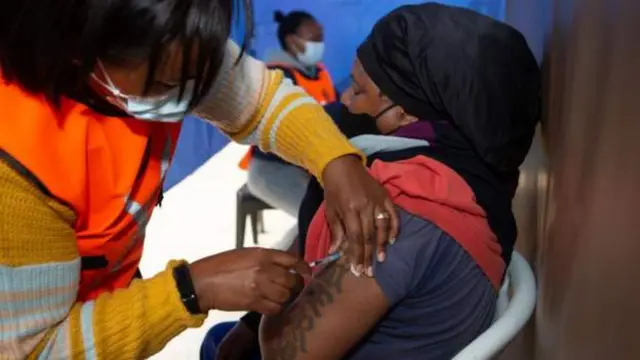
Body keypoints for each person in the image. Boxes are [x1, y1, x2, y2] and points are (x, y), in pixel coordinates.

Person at [0, 1, 401, 359]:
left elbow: (260, 101)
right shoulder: (17, 169)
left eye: (197, 77)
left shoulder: (171, 41)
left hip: (111, 281)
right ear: (79, 49)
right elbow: (37, 348)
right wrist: (191, 290)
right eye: (166, 85)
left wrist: (336, 160)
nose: (189, 97)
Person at [259, 3, 540, 360]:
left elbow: (285, 354)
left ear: (404, 111)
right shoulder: (457, 187)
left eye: (358, 91)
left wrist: (269, 294)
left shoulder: (394, 215)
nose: (344, 100)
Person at [245, 10, 338, 218]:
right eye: (313, 39)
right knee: (319, 220)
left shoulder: (319, 73)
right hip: (274, 169)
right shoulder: (276, 78)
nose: (319, 44)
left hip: (311, 166)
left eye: (320, 38)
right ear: (291, 41)